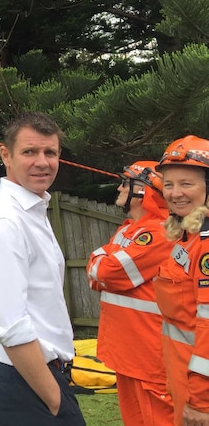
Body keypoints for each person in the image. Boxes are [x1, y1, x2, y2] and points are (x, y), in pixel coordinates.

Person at [0, 111, 86, 426]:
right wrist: (54, 399)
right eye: (30, 151)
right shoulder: (4, 221)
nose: (42, 162)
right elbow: (9, 325)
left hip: (19, 376)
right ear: (5, 154)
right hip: (21, 380)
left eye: (50, 152)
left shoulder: (32, 210)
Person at [86, 161, 174, 426]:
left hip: (148, 354)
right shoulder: (128, 229)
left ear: (143, 191)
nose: (119, 187)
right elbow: (99, 276)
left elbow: (106, 272)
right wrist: (103, 266)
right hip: (126, 351)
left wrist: (101, 259)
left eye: (126, 182)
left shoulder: (160, 233)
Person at [154, 135, 209, 426]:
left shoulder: (206, 245)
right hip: (182, 378)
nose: (175, 193)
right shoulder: (188, 238)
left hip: (200, 394)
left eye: (186, 184)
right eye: (169, 184)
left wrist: (200, 402)